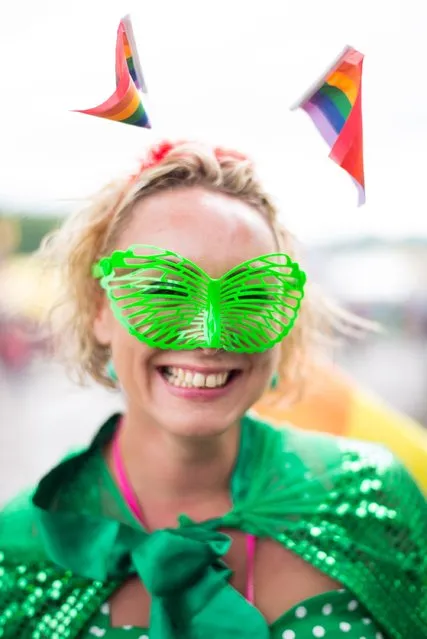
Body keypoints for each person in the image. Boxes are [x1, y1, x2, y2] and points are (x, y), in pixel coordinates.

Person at [0, 140, 426, 639]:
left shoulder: (372, 498)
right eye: (164, 290)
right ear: (101, 309)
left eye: (250, 295)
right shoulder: (20, 546)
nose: (209, 334)